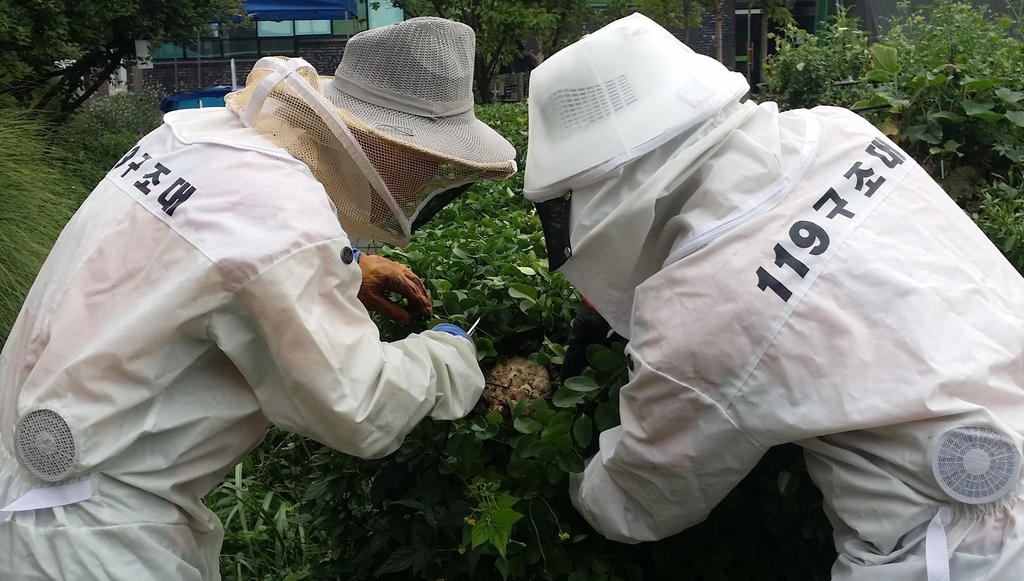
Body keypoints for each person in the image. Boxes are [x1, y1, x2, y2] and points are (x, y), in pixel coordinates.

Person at [0, 17, 516, 581]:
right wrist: (448, 356)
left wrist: (343, 270)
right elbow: (357, 406)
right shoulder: (286, 222)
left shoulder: (192, 136)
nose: (419, 181)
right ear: (381, 143)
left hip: (31, 464)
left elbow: (195, 258)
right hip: (85, 535)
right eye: (422, 161)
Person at [523, 13, 1024, 581]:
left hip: (966, 549)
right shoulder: (840, 132)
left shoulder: (697, 313)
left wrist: (560, 485)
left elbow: (642, 500)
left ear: (600, 184)